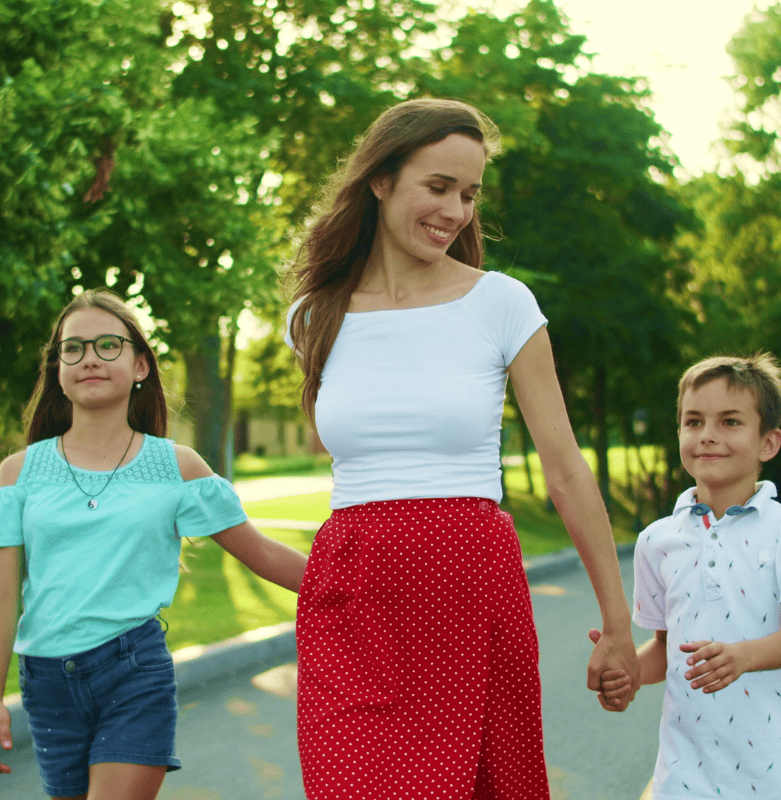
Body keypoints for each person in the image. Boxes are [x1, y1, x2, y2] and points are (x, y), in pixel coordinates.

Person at [283, 97, 639, 800]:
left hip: (468, 585)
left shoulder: (500, 303)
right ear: (380, 180)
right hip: (352, 600)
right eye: (438, 187)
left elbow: (566, 471)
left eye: (469, 194)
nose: (455, 211)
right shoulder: (312, 317)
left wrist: (617, 624)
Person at [0, 288, 308, 800]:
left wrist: (373, 592)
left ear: (140, 364)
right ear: (57, 369)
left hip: (133, 674)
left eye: (107, 345)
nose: (89, 358)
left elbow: (263, 554)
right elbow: (4, 595)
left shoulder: (176, 467)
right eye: (72, 348)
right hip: (47, 686)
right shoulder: (16, 475)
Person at [592, 353, 781, 798]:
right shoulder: (656, 540)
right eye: (693, 421)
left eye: (730, 422)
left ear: (768, 442)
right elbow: (667, 647)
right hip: (684, 777)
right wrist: (628, 671)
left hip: (778, 775)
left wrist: (741, 656)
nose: (707, 435)